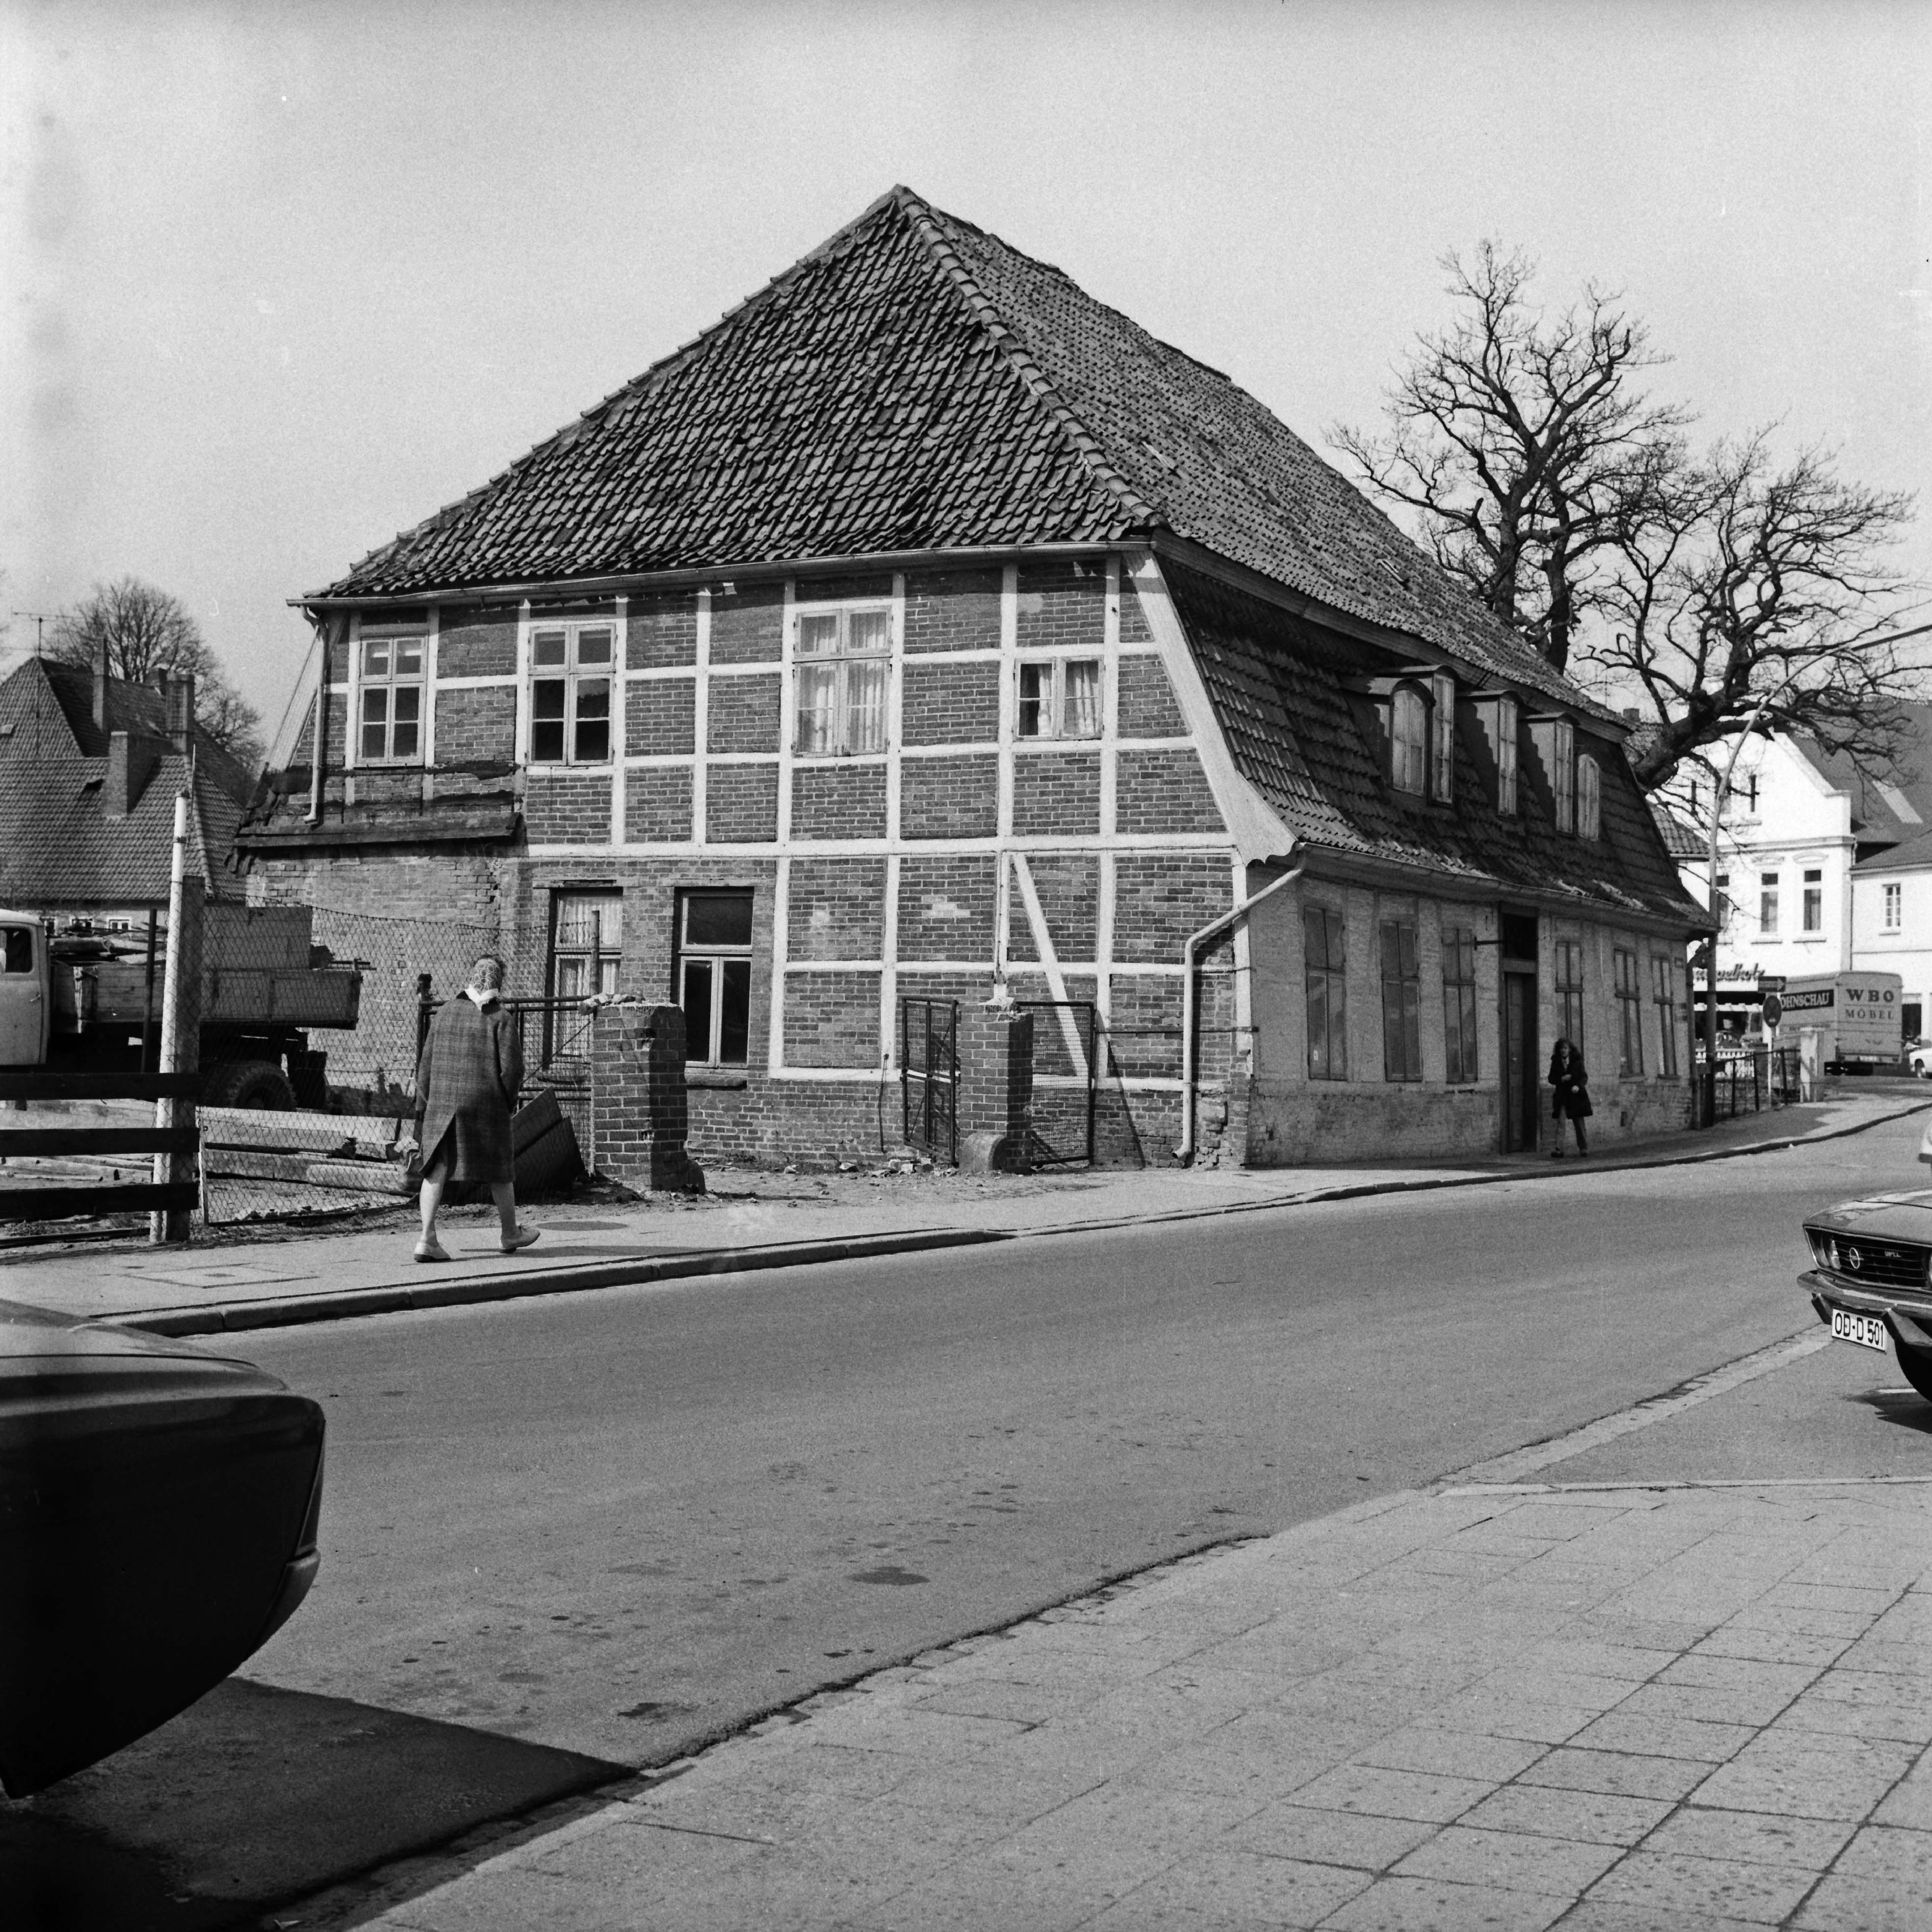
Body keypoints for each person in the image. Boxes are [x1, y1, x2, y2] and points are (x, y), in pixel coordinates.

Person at [405, 954, 538, 1262]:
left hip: (442, 1106)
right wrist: (505, 1102)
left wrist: (425, 1106)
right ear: (498, 982)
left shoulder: (444, 1013)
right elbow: (513, 1071)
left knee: (435, 1171)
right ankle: (509, 1234)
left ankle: (427, 1239)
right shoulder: (501, 1019)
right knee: (500, 1172)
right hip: (485, 1107)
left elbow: (424, 1067)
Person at [1548, 1036, 1592, 1157]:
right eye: (1561, 1049)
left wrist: (1578, 1086)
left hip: (1575, 1096)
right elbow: (1551, 1078)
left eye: (1566, 1048)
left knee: (1579, 1123)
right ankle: (1559, 1149)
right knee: (1561, 1122)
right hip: (1562, 1096)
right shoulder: (1556, 1061)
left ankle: (1583, 1148)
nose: (1563, 1051)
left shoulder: (1577, 1061)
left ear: (1570, 1050)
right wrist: (1561, 1079)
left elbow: (1584, 1077)